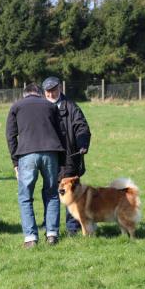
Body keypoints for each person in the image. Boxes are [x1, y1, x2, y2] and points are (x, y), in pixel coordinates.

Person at [6, 83, 65, 248]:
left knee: (25, 197)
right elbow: (61, 132)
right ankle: (52, 234)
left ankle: (31, 238)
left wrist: (15, 161)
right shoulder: (50, 106)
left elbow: (10, 135)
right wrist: (61, 159)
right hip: (51, 153)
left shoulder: (16, 106)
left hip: (27, 154)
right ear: (40, 93)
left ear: (25, 94)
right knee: (52, 193)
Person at [42, 76, 91, 236]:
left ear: (60, 89)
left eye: (53, 90)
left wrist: (82, 143)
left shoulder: (71, 107)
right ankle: (49, 224)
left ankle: (72, 227)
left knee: (72, 191)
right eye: (48, 92)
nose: (50, 94)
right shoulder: (41, 108)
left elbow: (81, 126)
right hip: (49, 156)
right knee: (49, 190)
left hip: (70, 155)